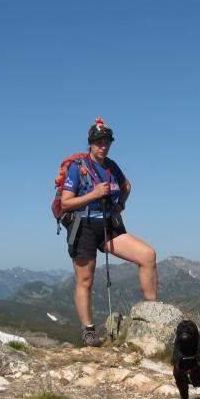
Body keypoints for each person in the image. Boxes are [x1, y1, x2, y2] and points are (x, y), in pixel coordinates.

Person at [59, 118, 158, 347]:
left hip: (108, 225)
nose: (103, 145)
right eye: (98, 142)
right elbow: (66, 203)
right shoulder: (78, 168)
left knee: (147, 256)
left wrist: (120, 204)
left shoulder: (111, 166)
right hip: (83, 226)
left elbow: (127, 186)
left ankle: (152, 313)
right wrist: (94, 194)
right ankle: (89, 331)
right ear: (90, 143)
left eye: (106, 142)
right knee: (85, 280)